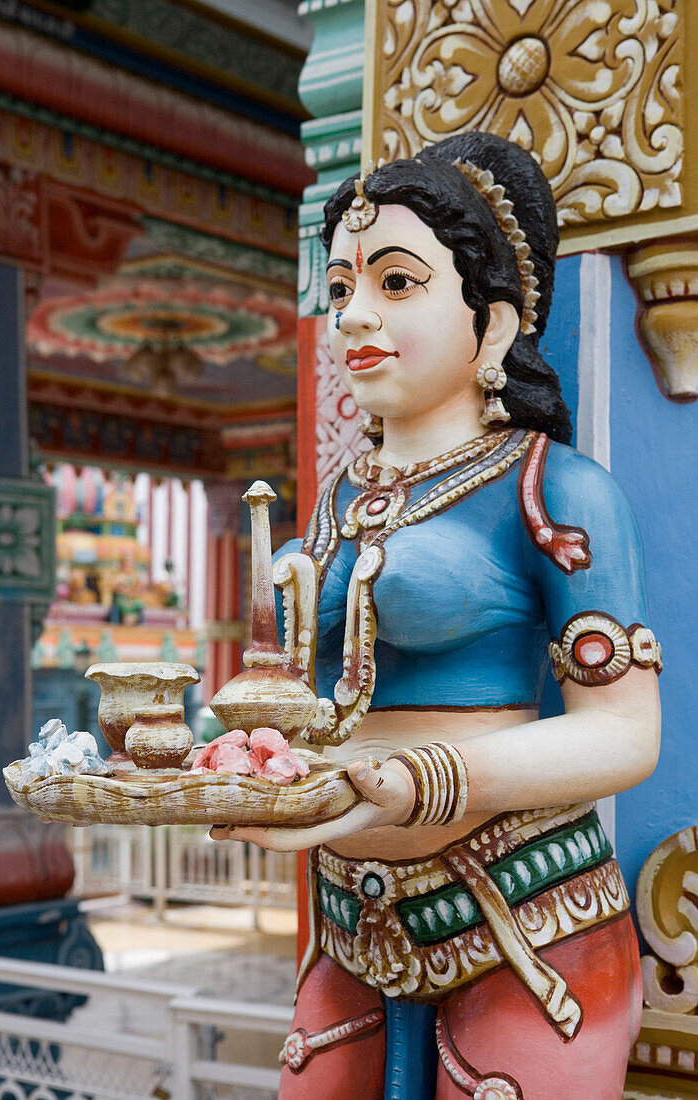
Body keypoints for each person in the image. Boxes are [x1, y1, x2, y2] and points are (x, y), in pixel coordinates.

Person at [211, 132, 662, 1099]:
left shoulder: (552, 489)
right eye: (338, 290)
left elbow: (625, 734)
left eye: (397, 284)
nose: (353, 318)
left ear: (492, 328)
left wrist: (432, 776)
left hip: (526, 927)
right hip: (349, 923)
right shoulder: (335, 502)